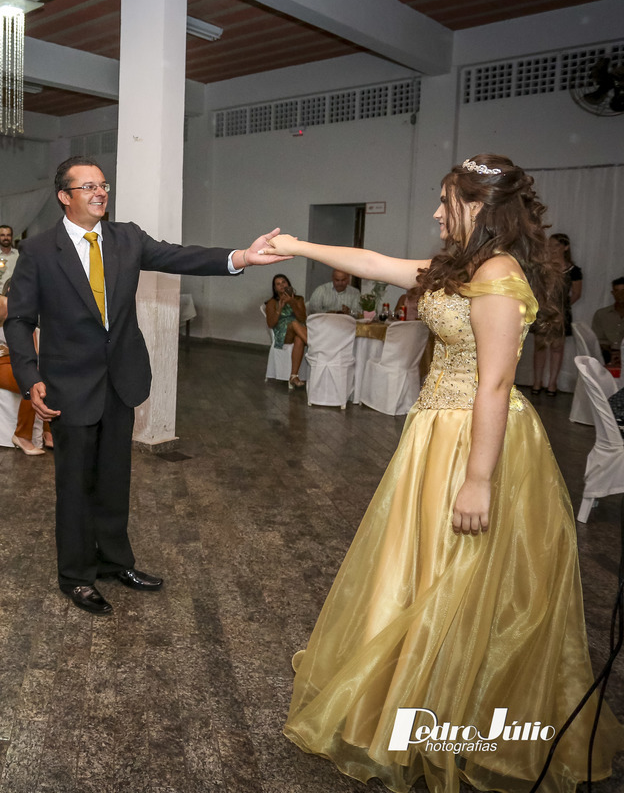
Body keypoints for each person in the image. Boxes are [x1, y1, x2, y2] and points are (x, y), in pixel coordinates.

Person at [261, 154, 623, 792]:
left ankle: (457, 715)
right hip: (436, 434)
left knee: (465, 576)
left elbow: (496, 383)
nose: (435, 212)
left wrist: (479, 479)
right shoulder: (460, 267)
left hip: (475, 441)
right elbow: (376, 263)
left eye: (445, 201)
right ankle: (418, 695)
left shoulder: (500, 274)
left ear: (478, 206)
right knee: (424, 570)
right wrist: (296, 246)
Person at [5, 155, 286, 615]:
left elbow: (180, 256)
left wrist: (240, 257)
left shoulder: (127, 238)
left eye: (103, 185)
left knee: (115, 480)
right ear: (64, 197)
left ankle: (116, 561)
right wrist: (30, 376)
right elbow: (18, 320)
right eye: (89, 187)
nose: (100, 192)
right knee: (75, 486)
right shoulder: (38, 251)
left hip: (121, 379)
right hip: (68, 386)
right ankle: (76, 575)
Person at [0, 279, 49, 454]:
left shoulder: (26, 318)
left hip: (17, 364)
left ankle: (48, 433)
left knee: (45, 380)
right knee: (30, 383)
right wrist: (2, 297)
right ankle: (22, 436)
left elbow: (33, 352)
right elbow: (4, 305)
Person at [530, 232, 580, 396]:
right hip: (542, 312)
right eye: (550, 245)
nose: (552, 248)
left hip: (560, 313)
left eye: (556, 245)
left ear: (565, 247)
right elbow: (536, 289)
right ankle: (537, 382)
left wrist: (561, 308)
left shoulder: (573, 270)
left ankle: (552, 383)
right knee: (540, 347)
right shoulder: (542, 268)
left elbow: (576, 293)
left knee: (557, 348)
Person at [265, 273, 308, 388]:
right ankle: (314, 346)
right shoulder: (272, 302)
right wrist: (279, 308)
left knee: (299, 339)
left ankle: (293, 376)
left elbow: (303, 318)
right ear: (275, 288)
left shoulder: (298, 299)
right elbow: (270, 324)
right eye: (278, 284)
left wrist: (292, 303)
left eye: (283, 282)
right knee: (293, 323)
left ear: (288, 283)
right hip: (282, 332)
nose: (282, 286)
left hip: (298, 330)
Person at [592, 276, 624, 366]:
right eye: (617, 291)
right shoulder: (601, 314)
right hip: (607, 356)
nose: (620, 294)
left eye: (623, 291)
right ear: (613, 293)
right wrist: (611, 352)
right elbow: (598, 340)